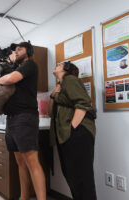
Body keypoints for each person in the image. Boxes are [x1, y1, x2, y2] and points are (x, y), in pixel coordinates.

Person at [0, 42, 46, 200]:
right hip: (11, 119)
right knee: (21, 163)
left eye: (20, 49)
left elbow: (12, 78)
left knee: (32, 161)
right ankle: (23, 197)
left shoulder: (30, 64)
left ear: (28, 52)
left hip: (25, 117)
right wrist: (1, 74)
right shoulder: (15, 68)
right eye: (15, 49)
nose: (16, 51)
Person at [48, 61, 97, 200]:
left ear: (67, 69)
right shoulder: (62, 86)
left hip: (77, 133)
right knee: (73, 176)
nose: (56, 65)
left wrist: (72, 129)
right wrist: (53, 94)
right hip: (66, 135)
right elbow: (49, 111)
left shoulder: (70, 80)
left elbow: (83, 103)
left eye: (60, 64)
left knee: (82, 178)